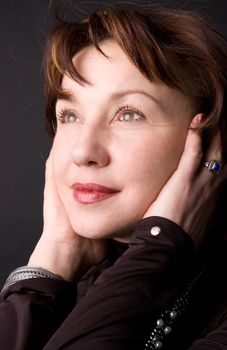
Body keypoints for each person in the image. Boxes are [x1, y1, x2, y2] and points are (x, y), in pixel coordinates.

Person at [0, 5, 227, 350]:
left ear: (211, 141)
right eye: (70, 115)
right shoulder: (71, 283)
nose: (82, 151)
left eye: (129, 114)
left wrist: (159, 246)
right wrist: (51, 265)